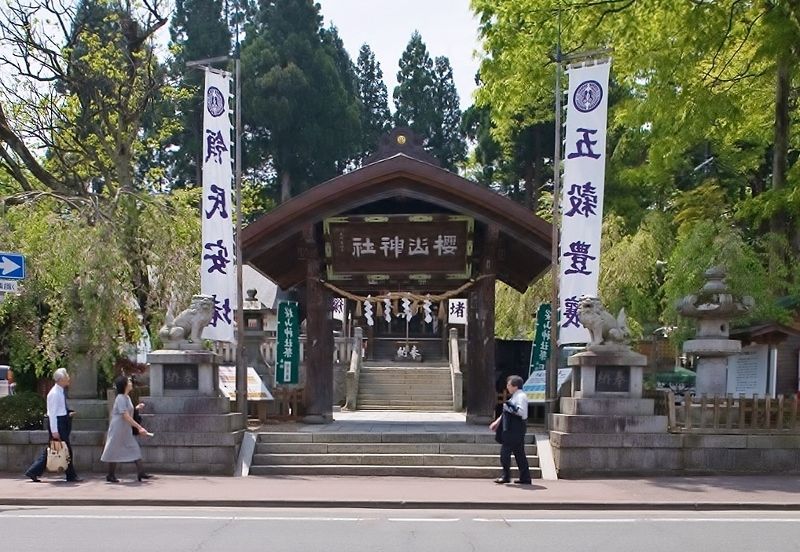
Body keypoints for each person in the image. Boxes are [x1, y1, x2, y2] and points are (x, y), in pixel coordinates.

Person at [25, 368, 82, 482]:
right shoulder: (54, 394)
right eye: (66, 377)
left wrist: (68, 414)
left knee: (55, 449)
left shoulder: (60, 391)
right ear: (61, 379)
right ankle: (71, 475)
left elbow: (60, 410)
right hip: (58, 425)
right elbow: (52, 413)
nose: (68, 379)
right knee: (64, 450)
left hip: (62, 421)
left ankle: (33, 471)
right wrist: (55, 430)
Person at [101, 375, 151, 482]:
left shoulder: (127, 398)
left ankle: (141, 472)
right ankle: (110, 475)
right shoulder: (120, 398)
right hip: (118, 429)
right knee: (113, 450)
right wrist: (139, 427)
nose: (131, 383)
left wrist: (137, 407)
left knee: (134, 448)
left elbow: (128, 411)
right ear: (124, 385)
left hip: (125, 429)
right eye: (128, 382)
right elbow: (125, 416)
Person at [489, 375, 532, 485]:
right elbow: (505, 412)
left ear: (515, 386)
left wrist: (510, 406)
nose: (507, 387)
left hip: (514, 428)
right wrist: (497, 423)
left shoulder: (520, 396)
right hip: (514, 427)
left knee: (505, 451)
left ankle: (506, 476)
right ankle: (525, 477)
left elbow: (521, 412)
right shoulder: (515, 396)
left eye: (509, 384)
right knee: (519, 453)